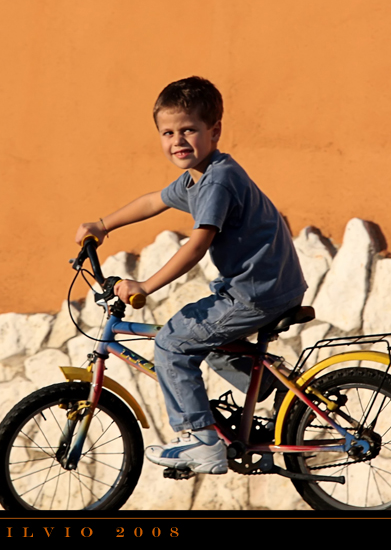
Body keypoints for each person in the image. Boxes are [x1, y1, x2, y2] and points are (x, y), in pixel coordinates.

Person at [74, 76, 307, 474]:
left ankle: (201, 442)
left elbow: (197, 246)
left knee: (172, 343)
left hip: (255, 292)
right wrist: (102, 224)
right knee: (206, 338)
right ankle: (272, 388)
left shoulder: (217, 181)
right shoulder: (198, 176)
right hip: (266, 285)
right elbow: (153, 201)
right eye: (168, 132)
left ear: (213, 131)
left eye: (189, 130)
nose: (178, 140)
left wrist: (144, 285)